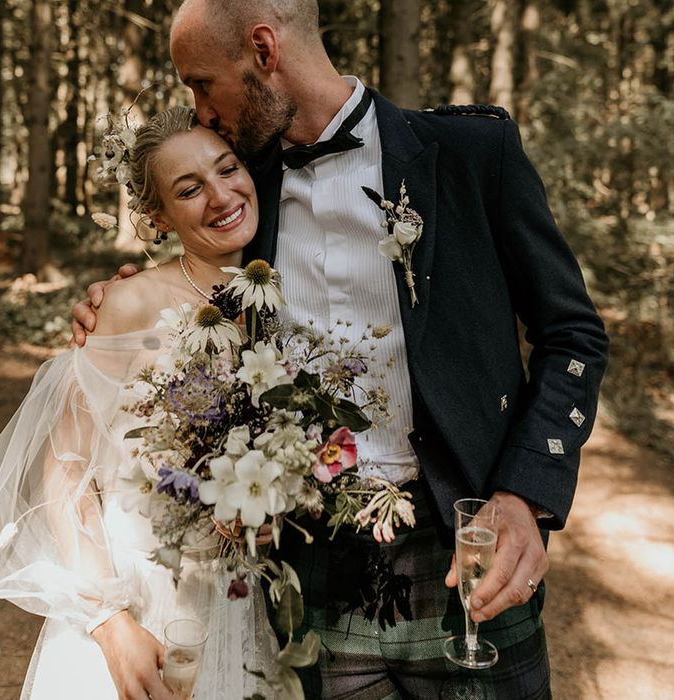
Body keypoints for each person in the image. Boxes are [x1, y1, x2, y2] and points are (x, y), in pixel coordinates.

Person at [71, 1, 610, 698]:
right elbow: (187, 286)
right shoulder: (239, 186)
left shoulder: (472, 155)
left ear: (264, 49)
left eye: (202, 84)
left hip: (464, 551)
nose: (200, 112)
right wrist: (113, 308)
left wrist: (525, 495)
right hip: (307, 569)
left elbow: (572, 334)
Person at [0, 106, 278, 700]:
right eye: (189, 189)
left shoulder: (281, 299)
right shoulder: (127, 305)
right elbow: (64, 477)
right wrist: (111, 625)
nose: (220, 196)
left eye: (228, 169)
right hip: (143, 605)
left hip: (240, 603)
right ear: (157, 217)